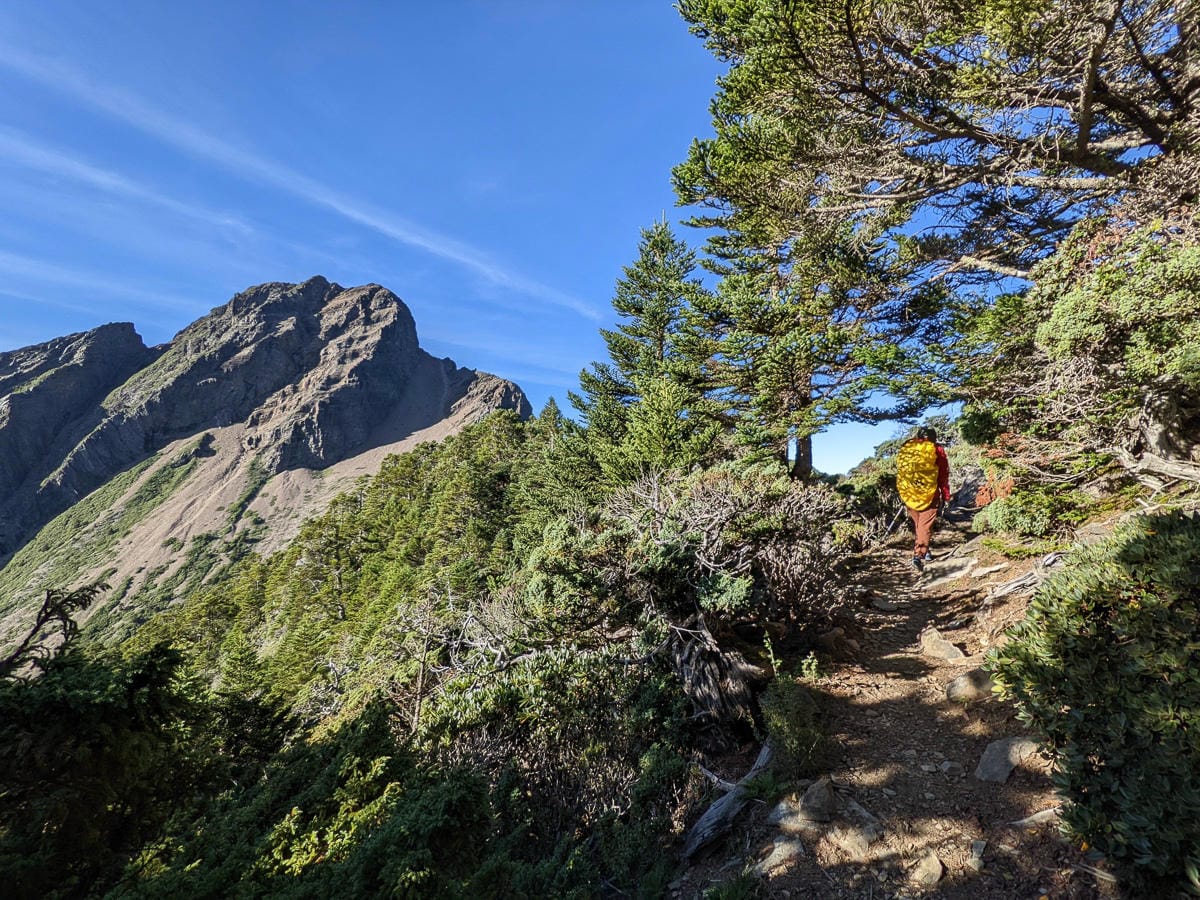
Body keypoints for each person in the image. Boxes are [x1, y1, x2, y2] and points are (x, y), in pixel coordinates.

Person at [896, 426, 950, 571]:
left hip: (909, 494)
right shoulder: (937, 450)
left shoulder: (908, 447)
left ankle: (925, 551)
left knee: (920, 525)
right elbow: (943, 474)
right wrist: (945, 494)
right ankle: (918, 556)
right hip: (930, 495)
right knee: (924, 526)